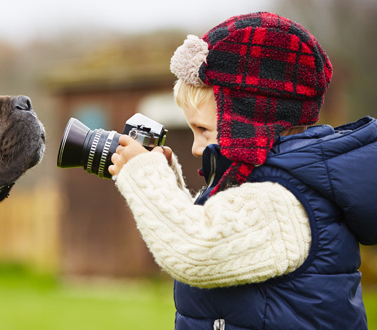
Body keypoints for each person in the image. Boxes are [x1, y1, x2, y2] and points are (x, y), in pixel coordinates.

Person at [108, 12, 377, 330]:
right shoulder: (276, 182)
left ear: (248, 121)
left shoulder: (282, 201)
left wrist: (145, 175)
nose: (197, 148)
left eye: (203, 130)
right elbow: (217, 231)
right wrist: (170, 183)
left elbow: (196, 250)